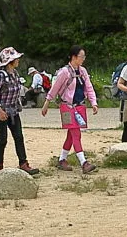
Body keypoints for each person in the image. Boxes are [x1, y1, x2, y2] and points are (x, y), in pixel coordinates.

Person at [42, 45, 100, 174]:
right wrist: (47, 103)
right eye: (81, 56)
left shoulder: (83, 71)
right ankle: (84, 162)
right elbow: (55, 88)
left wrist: (93, 102)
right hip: (67, 107)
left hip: (79, 106)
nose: (83, 59)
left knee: (71, 134)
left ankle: (62, 159)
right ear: (74, 57)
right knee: (76, 133)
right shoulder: (64, 72)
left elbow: (89, 87)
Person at [0, 47, 39, 176]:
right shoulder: (1, 75)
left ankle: (23, 163)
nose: (18, 60)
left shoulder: (15, 74)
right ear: (10, 61)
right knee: (3, 139)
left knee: (19, 137)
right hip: (1, 111)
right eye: (16, 59)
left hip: (13, 111)